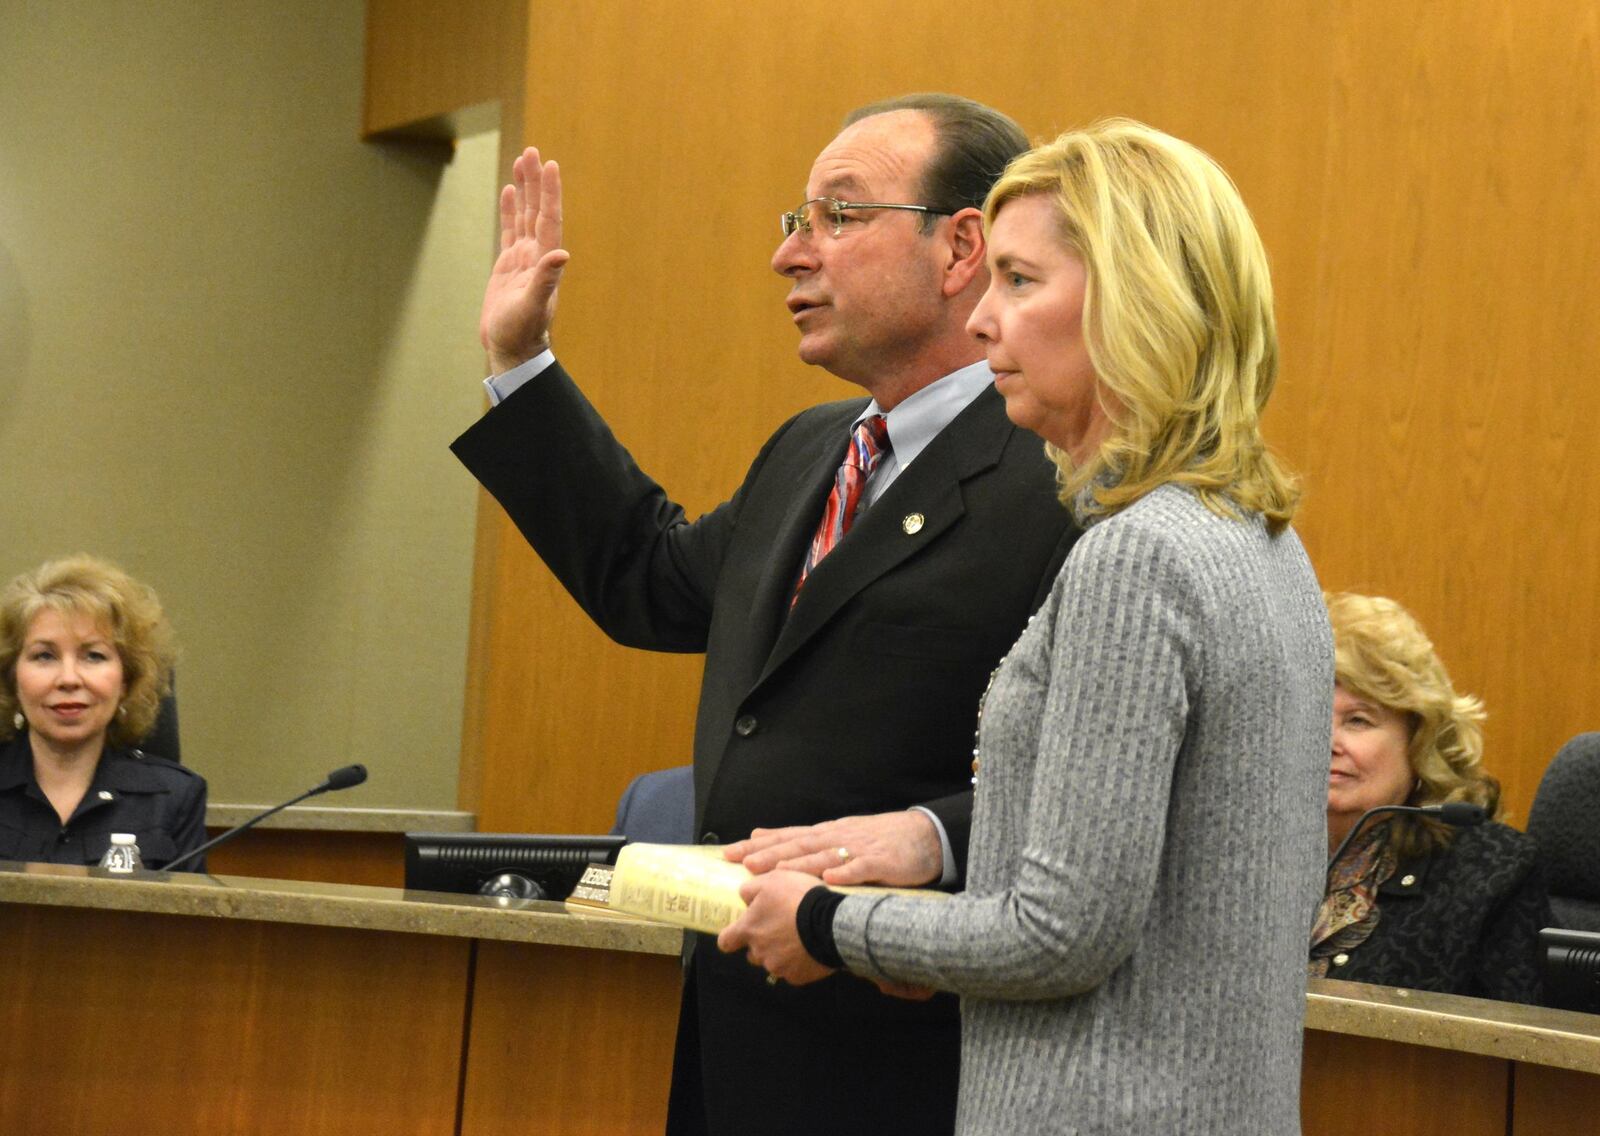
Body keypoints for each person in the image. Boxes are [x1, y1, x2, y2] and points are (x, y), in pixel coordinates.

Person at [451, 94, 1080, 1136]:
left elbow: (1089, 783)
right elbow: (647, 579)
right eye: (795, 223)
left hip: (913, 1054)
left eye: (837, 218)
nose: (791, 256)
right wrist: (523, 367)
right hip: (733, 1030)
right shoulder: (811, 449)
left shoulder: (1057, 475)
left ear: (959, 244)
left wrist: (933, 840)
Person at [720, 119, 1333, 1133]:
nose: (980, 324)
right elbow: (1158, 906)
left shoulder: (1136, 556)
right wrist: (917, 937)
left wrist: (826, 922)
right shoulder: (1256, 537)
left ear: (1132, 302)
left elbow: (1060, 936)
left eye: (1017, 281)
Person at [1315, 592, 1549, 1003]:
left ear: (1419, 740)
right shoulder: (1242, 856)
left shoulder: (1491, 874)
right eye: (1313, 716)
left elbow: (1514, 1056)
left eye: (1358, 720)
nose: (1328, 742)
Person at [0, 555, 207, 871]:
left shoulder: (175, 798)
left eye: (93, 656)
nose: (69, 678)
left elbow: (185, 920)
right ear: (12, 677)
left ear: (126, 680)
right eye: (44, 656)